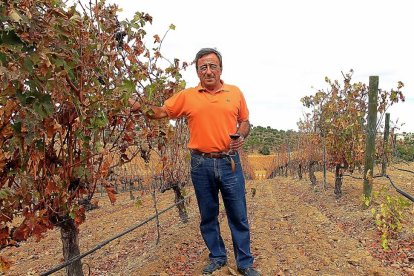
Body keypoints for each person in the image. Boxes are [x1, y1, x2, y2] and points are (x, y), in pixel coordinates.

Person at [129, 48, 259, 276]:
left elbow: (245, 121)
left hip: (230, 163)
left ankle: (245, 263)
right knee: (208, 215)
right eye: (203, 67)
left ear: (221, 69)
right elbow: (160, 112)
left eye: (212, 66)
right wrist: (140, 108)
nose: (208, 71)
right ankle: (218, 257)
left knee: (238, 214)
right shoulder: (187, 96)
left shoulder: (235, 92)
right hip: (201, 165)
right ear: (198, 71)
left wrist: (241, 134)